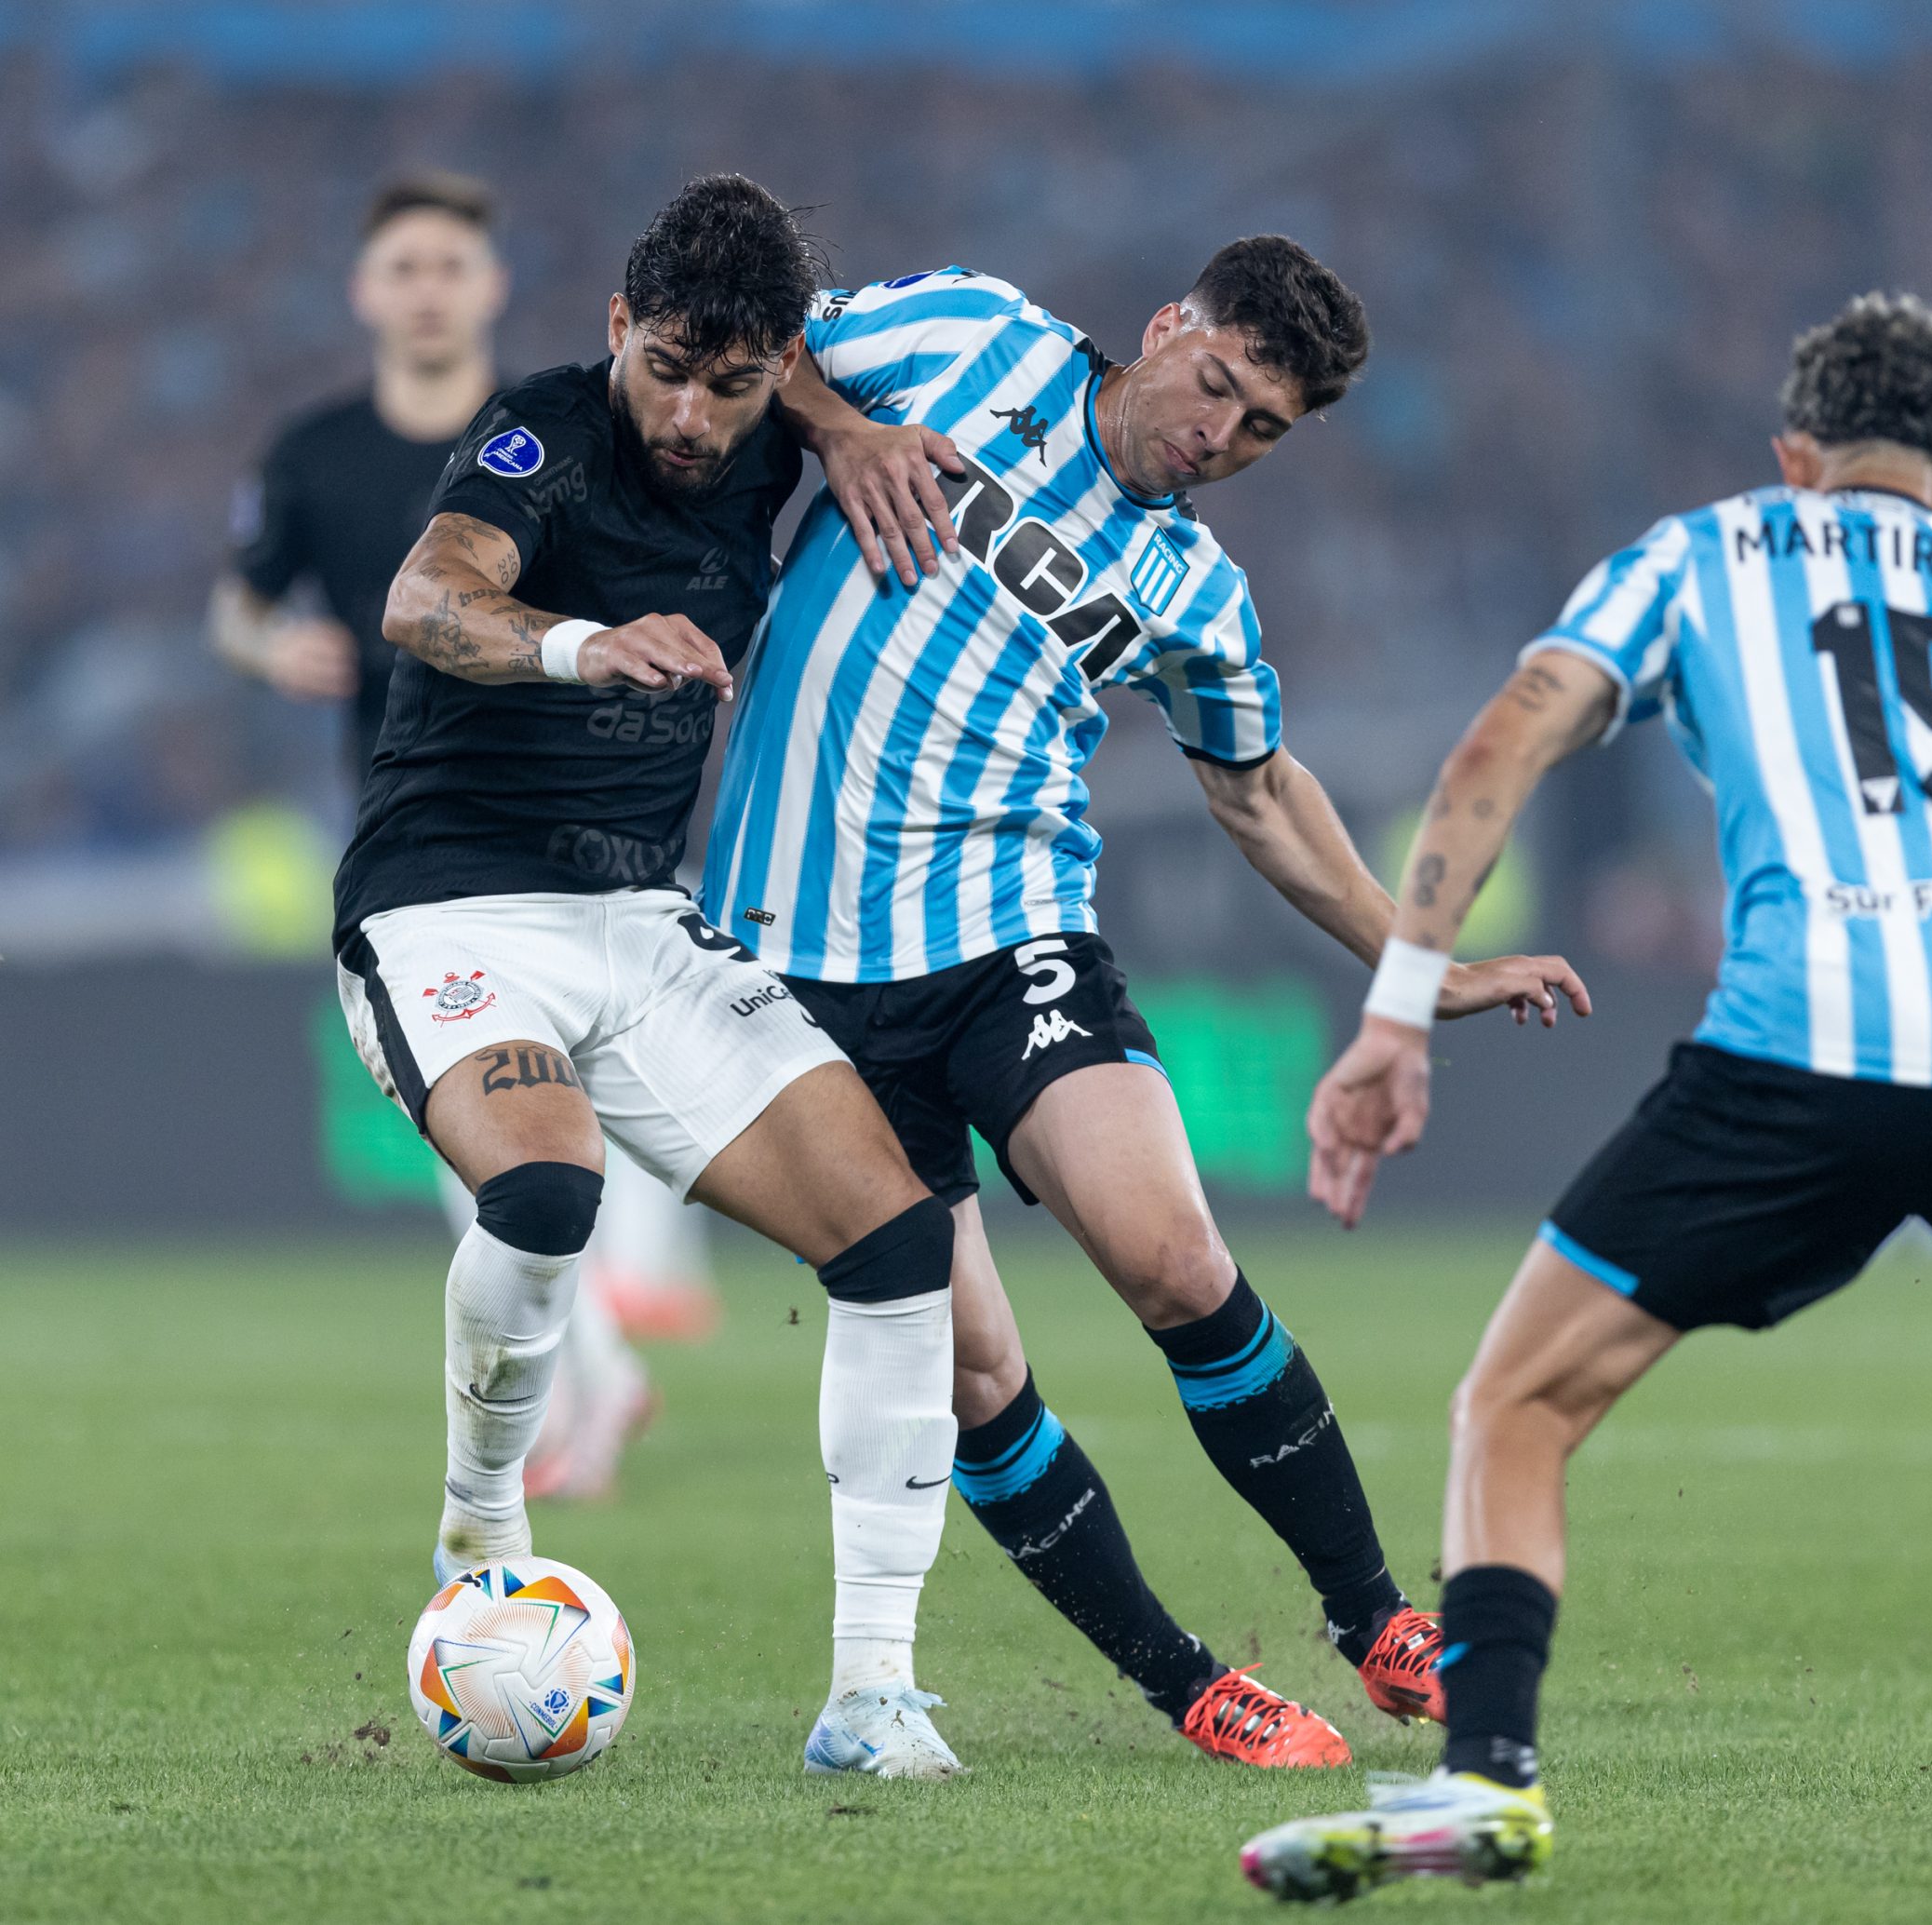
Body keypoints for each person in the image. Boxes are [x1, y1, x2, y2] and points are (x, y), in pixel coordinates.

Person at [1241, 293, 1932, 1898]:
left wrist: (1398, 1018)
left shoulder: (1712, 550)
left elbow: (1496, 752)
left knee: (1517, 1402)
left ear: (1796, 454)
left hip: (1815, 1030)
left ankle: (1490, 1780)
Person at [704, 241, 1589, 1768]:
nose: (1219, 435)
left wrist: (1416, 968)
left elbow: (1261, 795)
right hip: (795, 967)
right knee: (967, 1367)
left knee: (1178, 1258)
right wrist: (840, 431)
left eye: (1262, 431)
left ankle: (1378, 1619)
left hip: (1010, 929)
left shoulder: (1195, 592)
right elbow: (749, 334)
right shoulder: (969, 337)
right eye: (1220, 386)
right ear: (1168, 326)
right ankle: (1193, 1686)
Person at [335, 174, 966, 1779]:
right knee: (546, 1198)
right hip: (449, 908)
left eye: (733, 383)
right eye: (665, 366)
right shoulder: (545, 427)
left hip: (639, 918)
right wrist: (578, 641)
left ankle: (874, 1696)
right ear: (617, 328)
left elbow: (834, 390)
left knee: (899, 1244)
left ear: (779, 369)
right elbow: (423, 597)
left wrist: (827, 423)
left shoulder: (790, 429)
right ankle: (484, 1520)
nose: (688, 414)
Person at [212, 172, 713, 1503]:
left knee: (579, 1111)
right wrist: (277, 647)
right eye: (405, 267)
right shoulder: (311, 455)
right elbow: (237, 606)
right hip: (426, 844)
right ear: (368, 293)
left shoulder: (559, 433)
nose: (428, 288)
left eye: (451, 265)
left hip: (591, 822)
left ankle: (624, 1327)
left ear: (489, 287)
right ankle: (603, 1360)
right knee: (493, 1135)